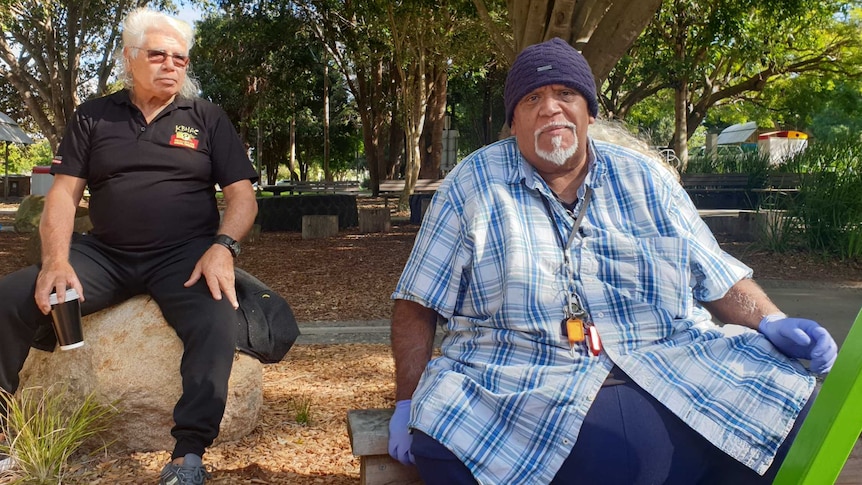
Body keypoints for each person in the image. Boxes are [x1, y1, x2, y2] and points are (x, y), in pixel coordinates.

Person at [387, 37, 838, 485]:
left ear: (590, 113)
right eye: (532, 99)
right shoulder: (472, 185)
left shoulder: (645, 178)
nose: (550, 108)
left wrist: (772, 319)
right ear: (513, 124)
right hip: (519, 386)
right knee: (443, 429)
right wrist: (406, 401)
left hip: (670, 369)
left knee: (790, 401)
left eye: (566, 94)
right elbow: (416, 303)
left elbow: (715, 277)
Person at [0, 8, 257, 485]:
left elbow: (242, 196)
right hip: (107, 254)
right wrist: (56, 261)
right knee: (10, 298)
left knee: (217, 320)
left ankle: (188, 455)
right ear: (129, 58)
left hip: (186, 254)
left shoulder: (206, 117)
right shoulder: (93, 116)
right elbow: (63, 193)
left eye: (179, 58)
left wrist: (223, 247)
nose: (170, 65)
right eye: (158, 54)